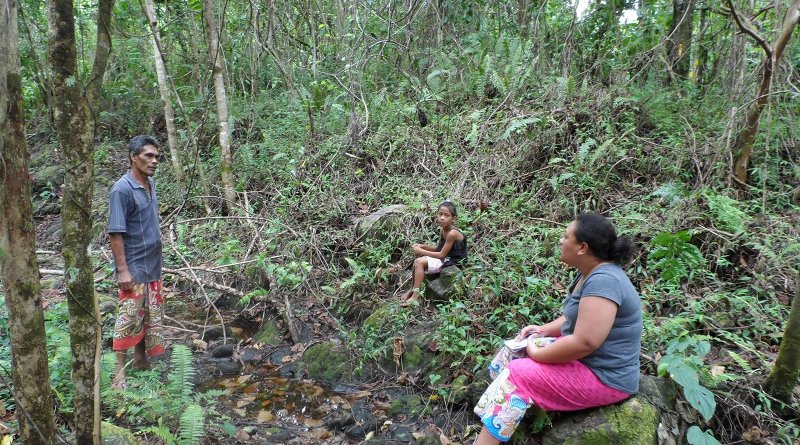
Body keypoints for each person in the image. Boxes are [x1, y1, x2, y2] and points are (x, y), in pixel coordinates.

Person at [473, 213, 641, 444]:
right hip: (588, 363)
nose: (561, 241)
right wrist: (541, 330)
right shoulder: (591, 274)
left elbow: (585, 342)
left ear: (582, 247)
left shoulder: (605, 281)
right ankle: (496, 416)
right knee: (516, 348)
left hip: (605, 377)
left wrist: (537, 353)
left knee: (518, 374)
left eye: (565, 236)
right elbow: (573, 320)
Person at [108, 135, 165, 389]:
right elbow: (116, 232)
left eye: (156, 156)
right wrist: (123, 270)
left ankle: (140, 358)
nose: (154, 161)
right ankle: (119, 373)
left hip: (152, 265)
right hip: (134, 267)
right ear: (134, 157)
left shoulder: (150, 183)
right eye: (148, 156)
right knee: (129, 316)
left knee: (147, 313)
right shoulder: (122, 190)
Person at [400, 200, 467, 306]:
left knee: (419, 262)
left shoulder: (452, 233)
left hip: (454, 262)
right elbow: (438, 249)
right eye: (440, 214)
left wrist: (421, 251)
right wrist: (423, 246)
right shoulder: (443, 230)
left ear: (453, 219)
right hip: (446, 258)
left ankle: (415, 296)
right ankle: (411, 290)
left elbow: (441, 255)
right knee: (417, 262)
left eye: (446, 215)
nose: (442, 218)